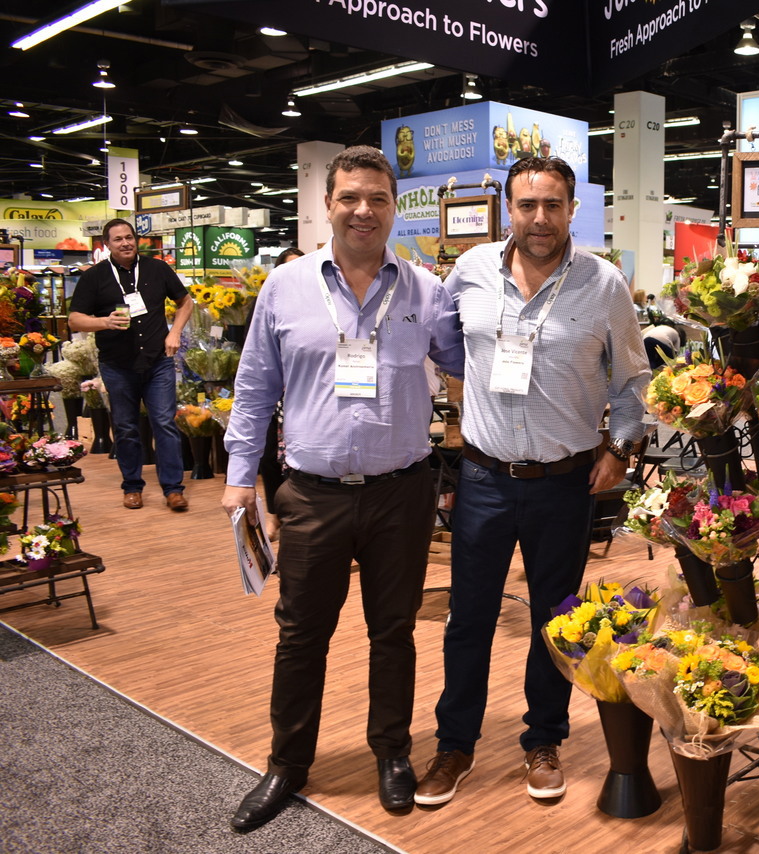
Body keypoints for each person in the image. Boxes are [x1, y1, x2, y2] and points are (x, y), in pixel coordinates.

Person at [220, 146, 465, 832]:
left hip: (401, 492)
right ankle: (288, 762)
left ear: (394, 207)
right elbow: (254, 389)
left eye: (378, 199)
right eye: (350, 197)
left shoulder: (426, 291)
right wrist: (240, 479)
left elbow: (465, 361)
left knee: (394, 632)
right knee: (301, 635)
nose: (364, 210)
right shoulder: (284, 287)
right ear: (327, 204)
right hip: (311, 494)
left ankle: (392, 753)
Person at [421, 156, 649, 807]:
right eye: (527, 205)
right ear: (508, 210)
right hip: (484, 478)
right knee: (468, 618)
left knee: (556, 620)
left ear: (572, 209)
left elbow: (632, 380)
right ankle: (454, 745)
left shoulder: (604, 284)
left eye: (553, 205)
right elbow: (439, 343)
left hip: (565, 482)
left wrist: (620, 449)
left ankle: (543, 740)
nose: (540, 218)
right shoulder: (470, 272)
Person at [68, 218, 194, 511]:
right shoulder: (94, 277)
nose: (125, 243)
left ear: (136, 240)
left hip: (158, 362)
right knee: (125, 428)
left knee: (165, 423)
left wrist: (175, 332)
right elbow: (74, 319)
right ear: (106, 245)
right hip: (118, 365)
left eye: (129, 237)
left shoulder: (157, 269)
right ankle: (133, 487)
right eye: (118, 239)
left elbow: (185, 302)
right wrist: (104, 322)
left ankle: (173, 489)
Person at [258, 246, 306, 541]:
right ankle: (274, 515)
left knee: (295, 461)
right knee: (271, 458)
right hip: (277, 396)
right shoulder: (270, 302)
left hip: (304, 396)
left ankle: (291, 519)